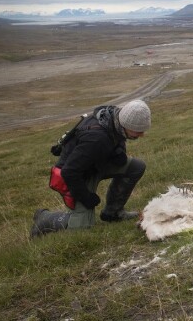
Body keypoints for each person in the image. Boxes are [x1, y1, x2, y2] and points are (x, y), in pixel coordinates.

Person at [30, 99, 151, 237]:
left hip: (95, 164)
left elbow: (115, 137)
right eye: (138, 131)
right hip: (78, 175)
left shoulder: (114, 116)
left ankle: (113, 213)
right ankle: (44, 218)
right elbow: (69, 172)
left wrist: (118, 151)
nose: (142, 135)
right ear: (125, 125)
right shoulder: (96, 139)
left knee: (136, 167)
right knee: (81, 227)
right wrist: (86, 197)